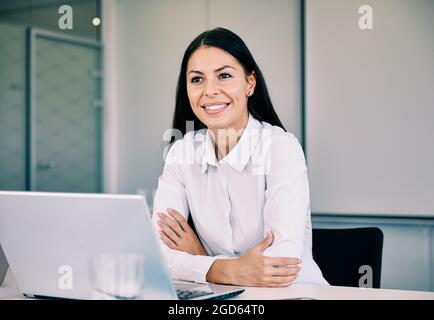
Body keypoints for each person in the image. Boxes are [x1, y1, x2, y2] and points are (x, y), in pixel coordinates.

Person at [152, 27, 327, 287]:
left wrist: (200, 257)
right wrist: (230, 270)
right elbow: (158, 253)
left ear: (250, 83)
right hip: (221, 298)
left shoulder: (281, 148)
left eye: (224, 76)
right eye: (197, 79)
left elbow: (277, 264)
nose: (210, 90)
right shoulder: (182, 152)